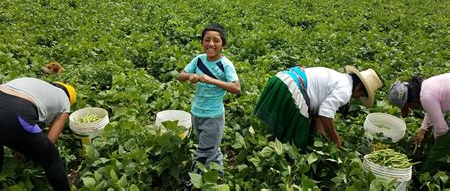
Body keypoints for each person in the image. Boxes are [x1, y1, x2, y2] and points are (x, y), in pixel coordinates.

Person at [0, 77, 76, 191]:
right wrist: (25, 149)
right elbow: (50, 140)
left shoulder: (32, 82)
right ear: (69, 99)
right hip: (13, 112)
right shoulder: (64, 101)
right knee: (51, 158)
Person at [254, 66, 382, 149]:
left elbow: (318, 113)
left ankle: (266, 141)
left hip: (281, 78)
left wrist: (320, 133)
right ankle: (279, 153)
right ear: (359, 87)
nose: (358, 97)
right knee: (299, 142)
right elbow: (325, 114)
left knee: (299, 128)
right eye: (361, 94)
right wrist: (336, 140)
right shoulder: (345, 91)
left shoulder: (338, 77)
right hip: (292, 89)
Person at [177, 23, 241, 187]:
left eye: (216, 40)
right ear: (202, 42)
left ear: (223, 45)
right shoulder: (199, 60)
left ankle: (195, 181)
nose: (211, 44)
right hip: (196, 112)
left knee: (204, 151)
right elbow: (180, 75)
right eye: (207, 40)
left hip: (213, 115)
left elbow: (236, 88)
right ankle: (217, 171)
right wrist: (190, 75)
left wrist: (211, 79)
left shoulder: (225, 64)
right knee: (211, 146)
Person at [389, 73, 450, 174]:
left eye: (409, 107)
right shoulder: (426, 86)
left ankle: (424, 177)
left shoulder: (426, 97)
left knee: (442, 143)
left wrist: (434, 140)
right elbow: (432, 109)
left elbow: (442, 130)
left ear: (412, 101)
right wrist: (423, 130)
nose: (412, 109)